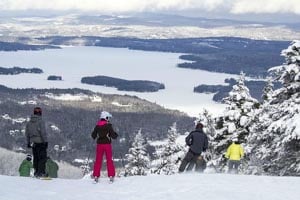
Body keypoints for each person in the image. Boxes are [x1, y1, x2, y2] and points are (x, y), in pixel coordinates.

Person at [91, 111, 118, 183]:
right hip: (107, 145)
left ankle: (96, 176)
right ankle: (111, 176)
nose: (108, 119)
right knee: (109, 160)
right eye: (108, 117)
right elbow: (113, 136)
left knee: (98, 160)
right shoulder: (109, 125)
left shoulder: (97, 126)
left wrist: (97, 135)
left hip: (99, 145)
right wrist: (116, 134)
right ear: (105, 117)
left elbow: (93, 136)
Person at [25, 107, 48, 177]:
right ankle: (41, 173)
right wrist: (45, 141)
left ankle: (36, 172)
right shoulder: (41, 121)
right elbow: (43, 133)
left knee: (36, 158)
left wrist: (28, 142)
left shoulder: (29, 123)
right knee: (42, 158)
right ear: (40, 113)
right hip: (40, 142)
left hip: (33, 143)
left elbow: (27, 134)